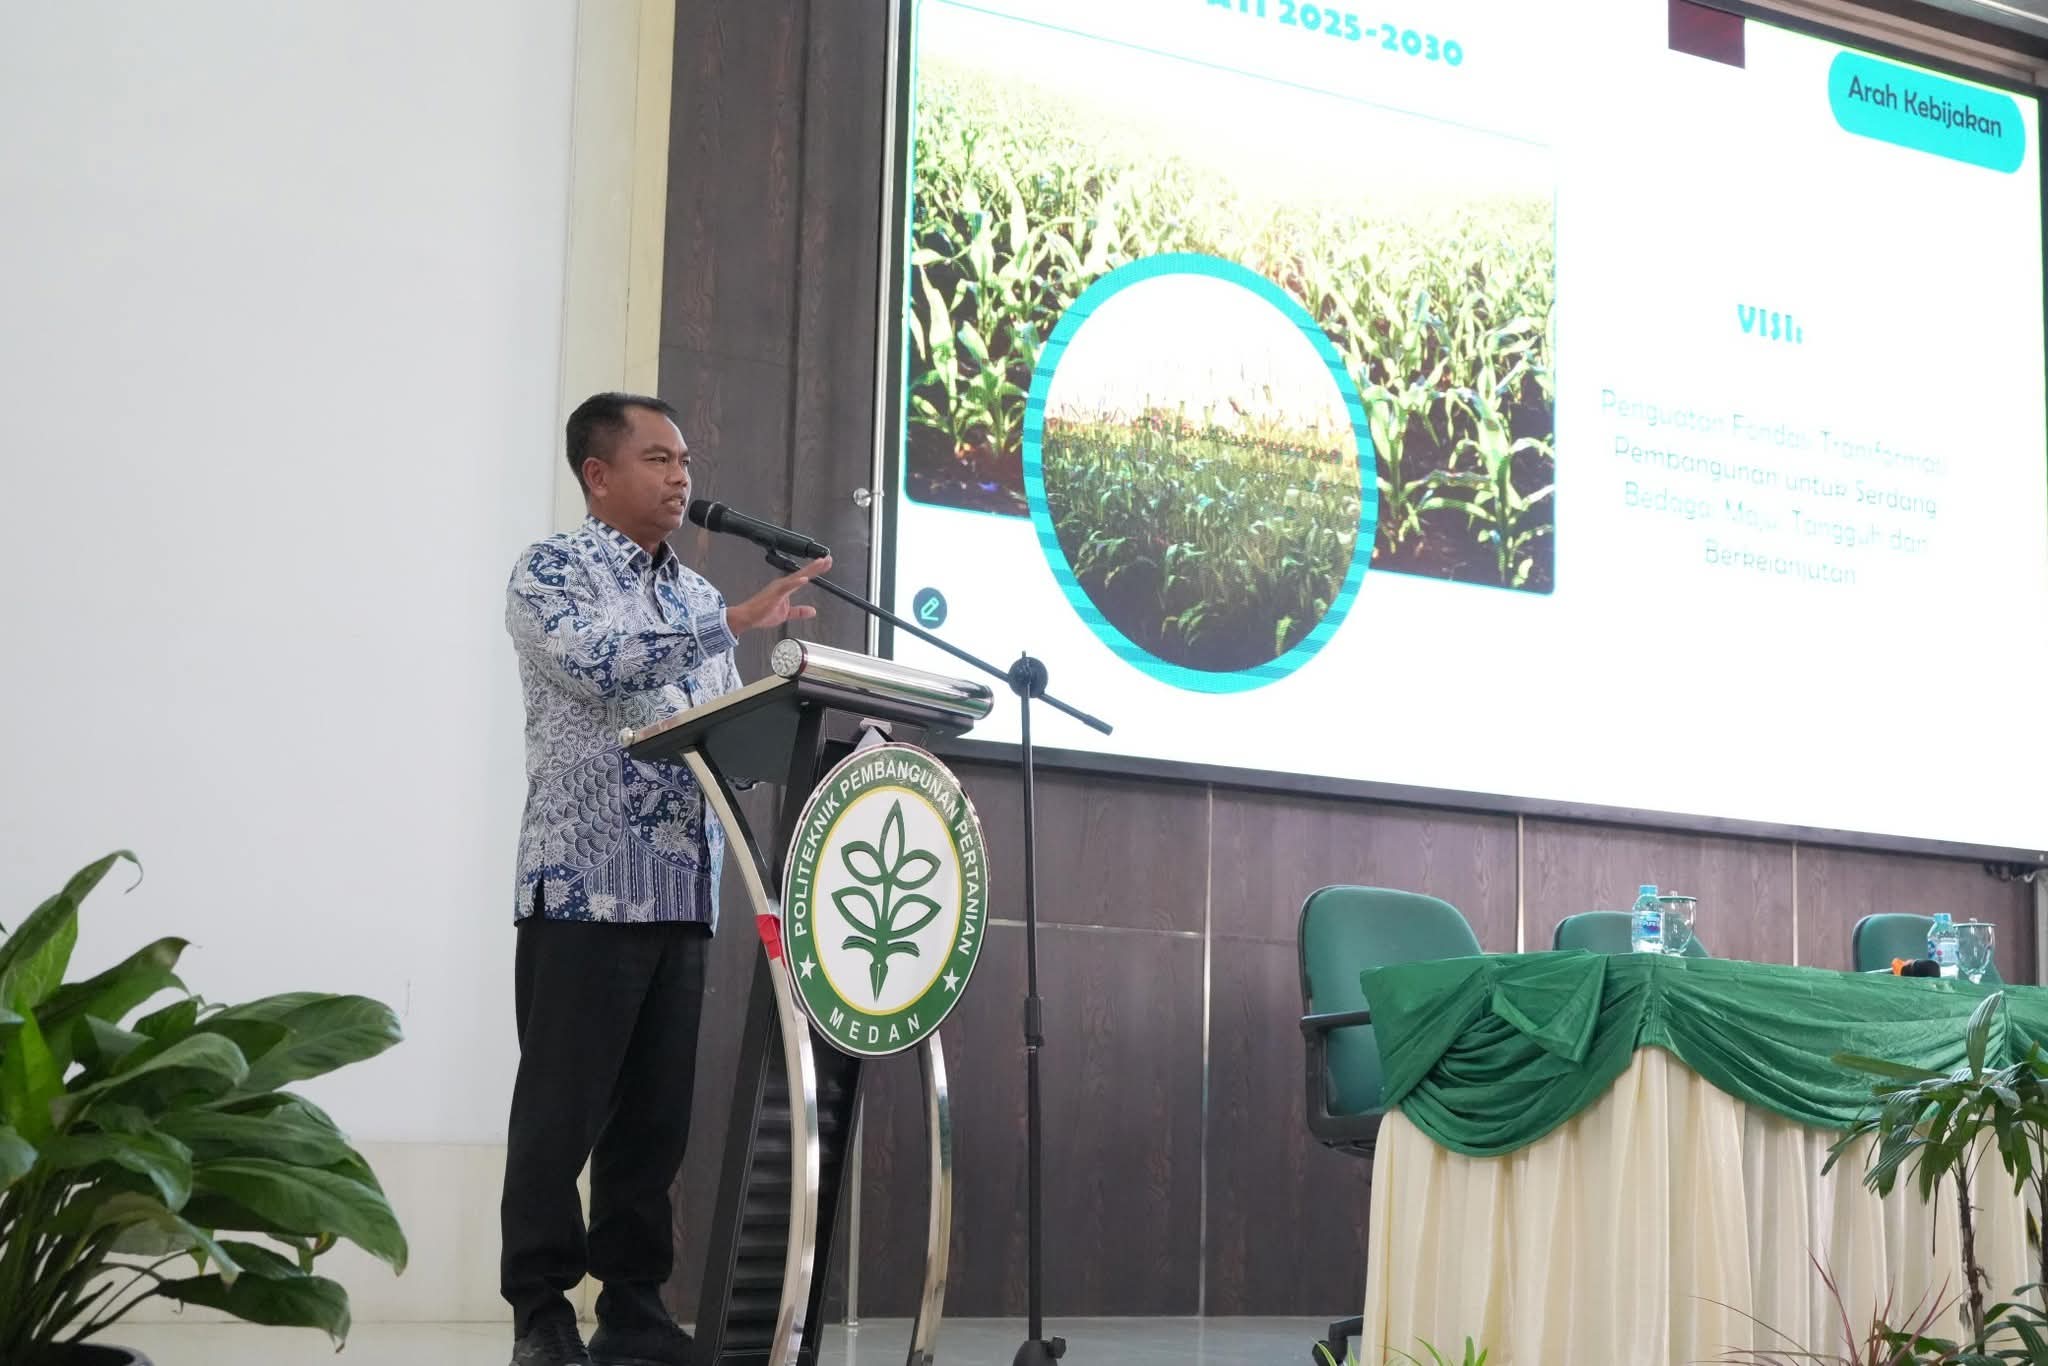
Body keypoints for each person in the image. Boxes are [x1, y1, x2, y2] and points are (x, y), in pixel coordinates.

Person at [499, 392, 829, 1366]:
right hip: (583, 882)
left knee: (654, 1119)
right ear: (597, 474)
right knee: (560, 1111)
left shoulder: (691, 597)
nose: (680, 475)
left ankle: (634, 1299)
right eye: (656, 457)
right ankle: (540, 1309)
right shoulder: (549, 571)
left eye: (683, 458)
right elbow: (594, 668)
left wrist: (802, 718)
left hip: (683, 885)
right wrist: (727, 624)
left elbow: (710, 731)